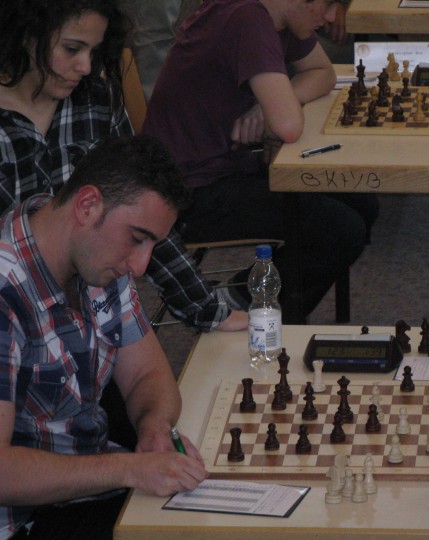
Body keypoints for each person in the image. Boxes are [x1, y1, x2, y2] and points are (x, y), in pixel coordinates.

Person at [0, 135, 208, 540]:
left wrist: (154, 426)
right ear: (87, 205)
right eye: (137, 238)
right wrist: (129, 468)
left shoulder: (95, 257)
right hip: (25, 520)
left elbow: (147, 373)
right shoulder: (6, 291)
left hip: (87, 487)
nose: (141, 265)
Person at [0, 0, 247, 333]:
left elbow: (143, 208)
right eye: (72, 49)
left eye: (94, 51)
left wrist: (205, 308)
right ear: (25, 34)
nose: (86, 66)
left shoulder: (95, 100)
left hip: (93, 306)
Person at [144, 0, 379, 320]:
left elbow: (323, 73)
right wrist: (276, 111)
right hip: (187, 191)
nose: (330, 18)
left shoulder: (280, 15)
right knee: (339, 229)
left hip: (226, 163)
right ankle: (244, 309)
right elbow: (289, 126)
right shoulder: (248, 19)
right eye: (326, 4)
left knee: (362, 203)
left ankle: (248, 298)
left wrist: (273, 104)